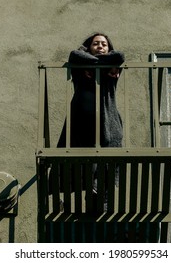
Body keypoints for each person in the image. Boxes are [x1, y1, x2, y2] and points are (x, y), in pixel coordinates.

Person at [53, 33, 125, 212]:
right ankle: (68, 202)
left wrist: (96, 66)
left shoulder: (112, 66)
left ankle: (98, 199)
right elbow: (74, 55)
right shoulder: (82, 65)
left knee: (105, 163)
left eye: (104, 44)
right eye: (95, 44)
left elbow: (120, 56)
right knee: (81, 158)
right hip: (82, 121)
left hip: (109, 122)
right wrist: (100, 65)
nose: (100, 46)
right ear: (88, 47)